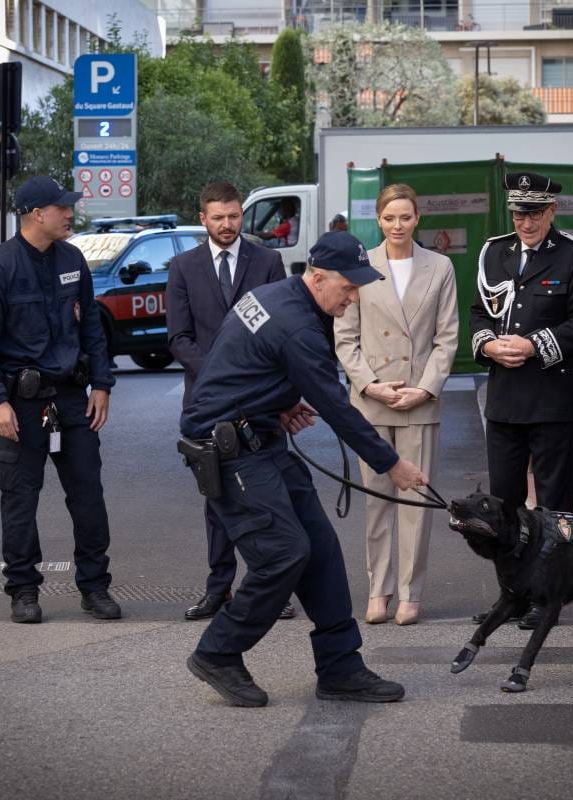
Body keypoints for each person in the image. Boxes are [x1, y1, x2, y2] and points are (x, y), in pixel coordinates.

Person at [180, 231, 427, 708]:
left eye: (358, 287)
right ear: (316, 277)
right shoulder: (296, 325)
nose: (353, 297)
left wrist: (275, 402)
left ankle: (341, 668)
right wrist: (390, 463)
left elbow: (238, 362)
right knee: (284, 553)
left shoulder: (274, 297)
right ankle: (218, 651)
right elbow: (336, 406)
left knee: (320, 550)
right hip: (230, 451)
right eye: (347, 287)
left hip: (259, 435)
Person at [0, 176, 120, 624]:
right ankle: (23, 590)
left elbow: (91, 325)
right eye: (63, 207)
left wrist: (102, 384)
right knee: (20, 500)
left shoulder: (73, 259)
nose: (71, 212)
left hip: (73, 400)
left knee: (89, 497)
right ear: (37, 213)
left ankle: (95, 588)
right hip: (22, 405)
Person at [469, 171, 573, 629]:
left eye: (534, 214)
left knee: (554, 506)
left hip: (552, 400)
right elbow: (476, 312)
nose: (525, 222)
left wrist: (534, 345)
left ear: (551, 211)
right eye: (519, 213)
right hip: (504, 401)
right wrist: (487, 344)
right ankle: (513, 596)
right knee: (503, 507)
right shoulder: (494, 252)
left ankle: (549, 597)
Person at [165, 181, 290, 622]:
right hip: (207, 405)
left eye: (234, 216)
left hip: (262, 404)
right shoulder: (183, 267)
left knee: (271, 497)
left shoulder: (269, 261)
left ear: (242, 215)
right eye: (218, 217)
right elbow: (178, 339)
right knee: (218, 499)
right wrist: (222, 375)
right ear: (203, 218)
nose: (227, 224)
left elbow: (281, 332)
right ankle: (218, 589)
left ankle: (273, 588)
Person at [334, 184, 458, 626]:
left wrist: (425, 389)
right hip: (374, 400)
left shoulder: (440, 267)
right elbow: (345, 339)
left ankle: (411, 592)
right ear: (379, 220)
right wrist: (371, 386)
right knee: (376, 501)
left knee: (416, 501)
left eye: (406, 217)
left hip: (419, 400)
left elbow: (447, 338)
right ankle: (379, 589)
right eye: (390, 218)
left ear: (417, 218)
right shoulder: (361, 265)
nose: (398, 225)